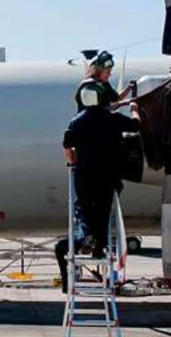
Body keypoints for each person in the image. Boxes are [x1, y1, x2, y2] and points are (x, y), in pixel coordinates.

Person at [57, 81, 140, 293]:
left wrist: (74, 163)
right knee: (103, 213)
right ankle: (98, 246)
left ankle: (86, 237)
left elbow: (67, 148)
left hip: (84, 177)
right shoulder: (112, 119)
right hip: (107, 177)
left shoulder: (77, 121)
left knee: (83, 210)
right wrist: (134, 108)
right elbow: (135, 126)